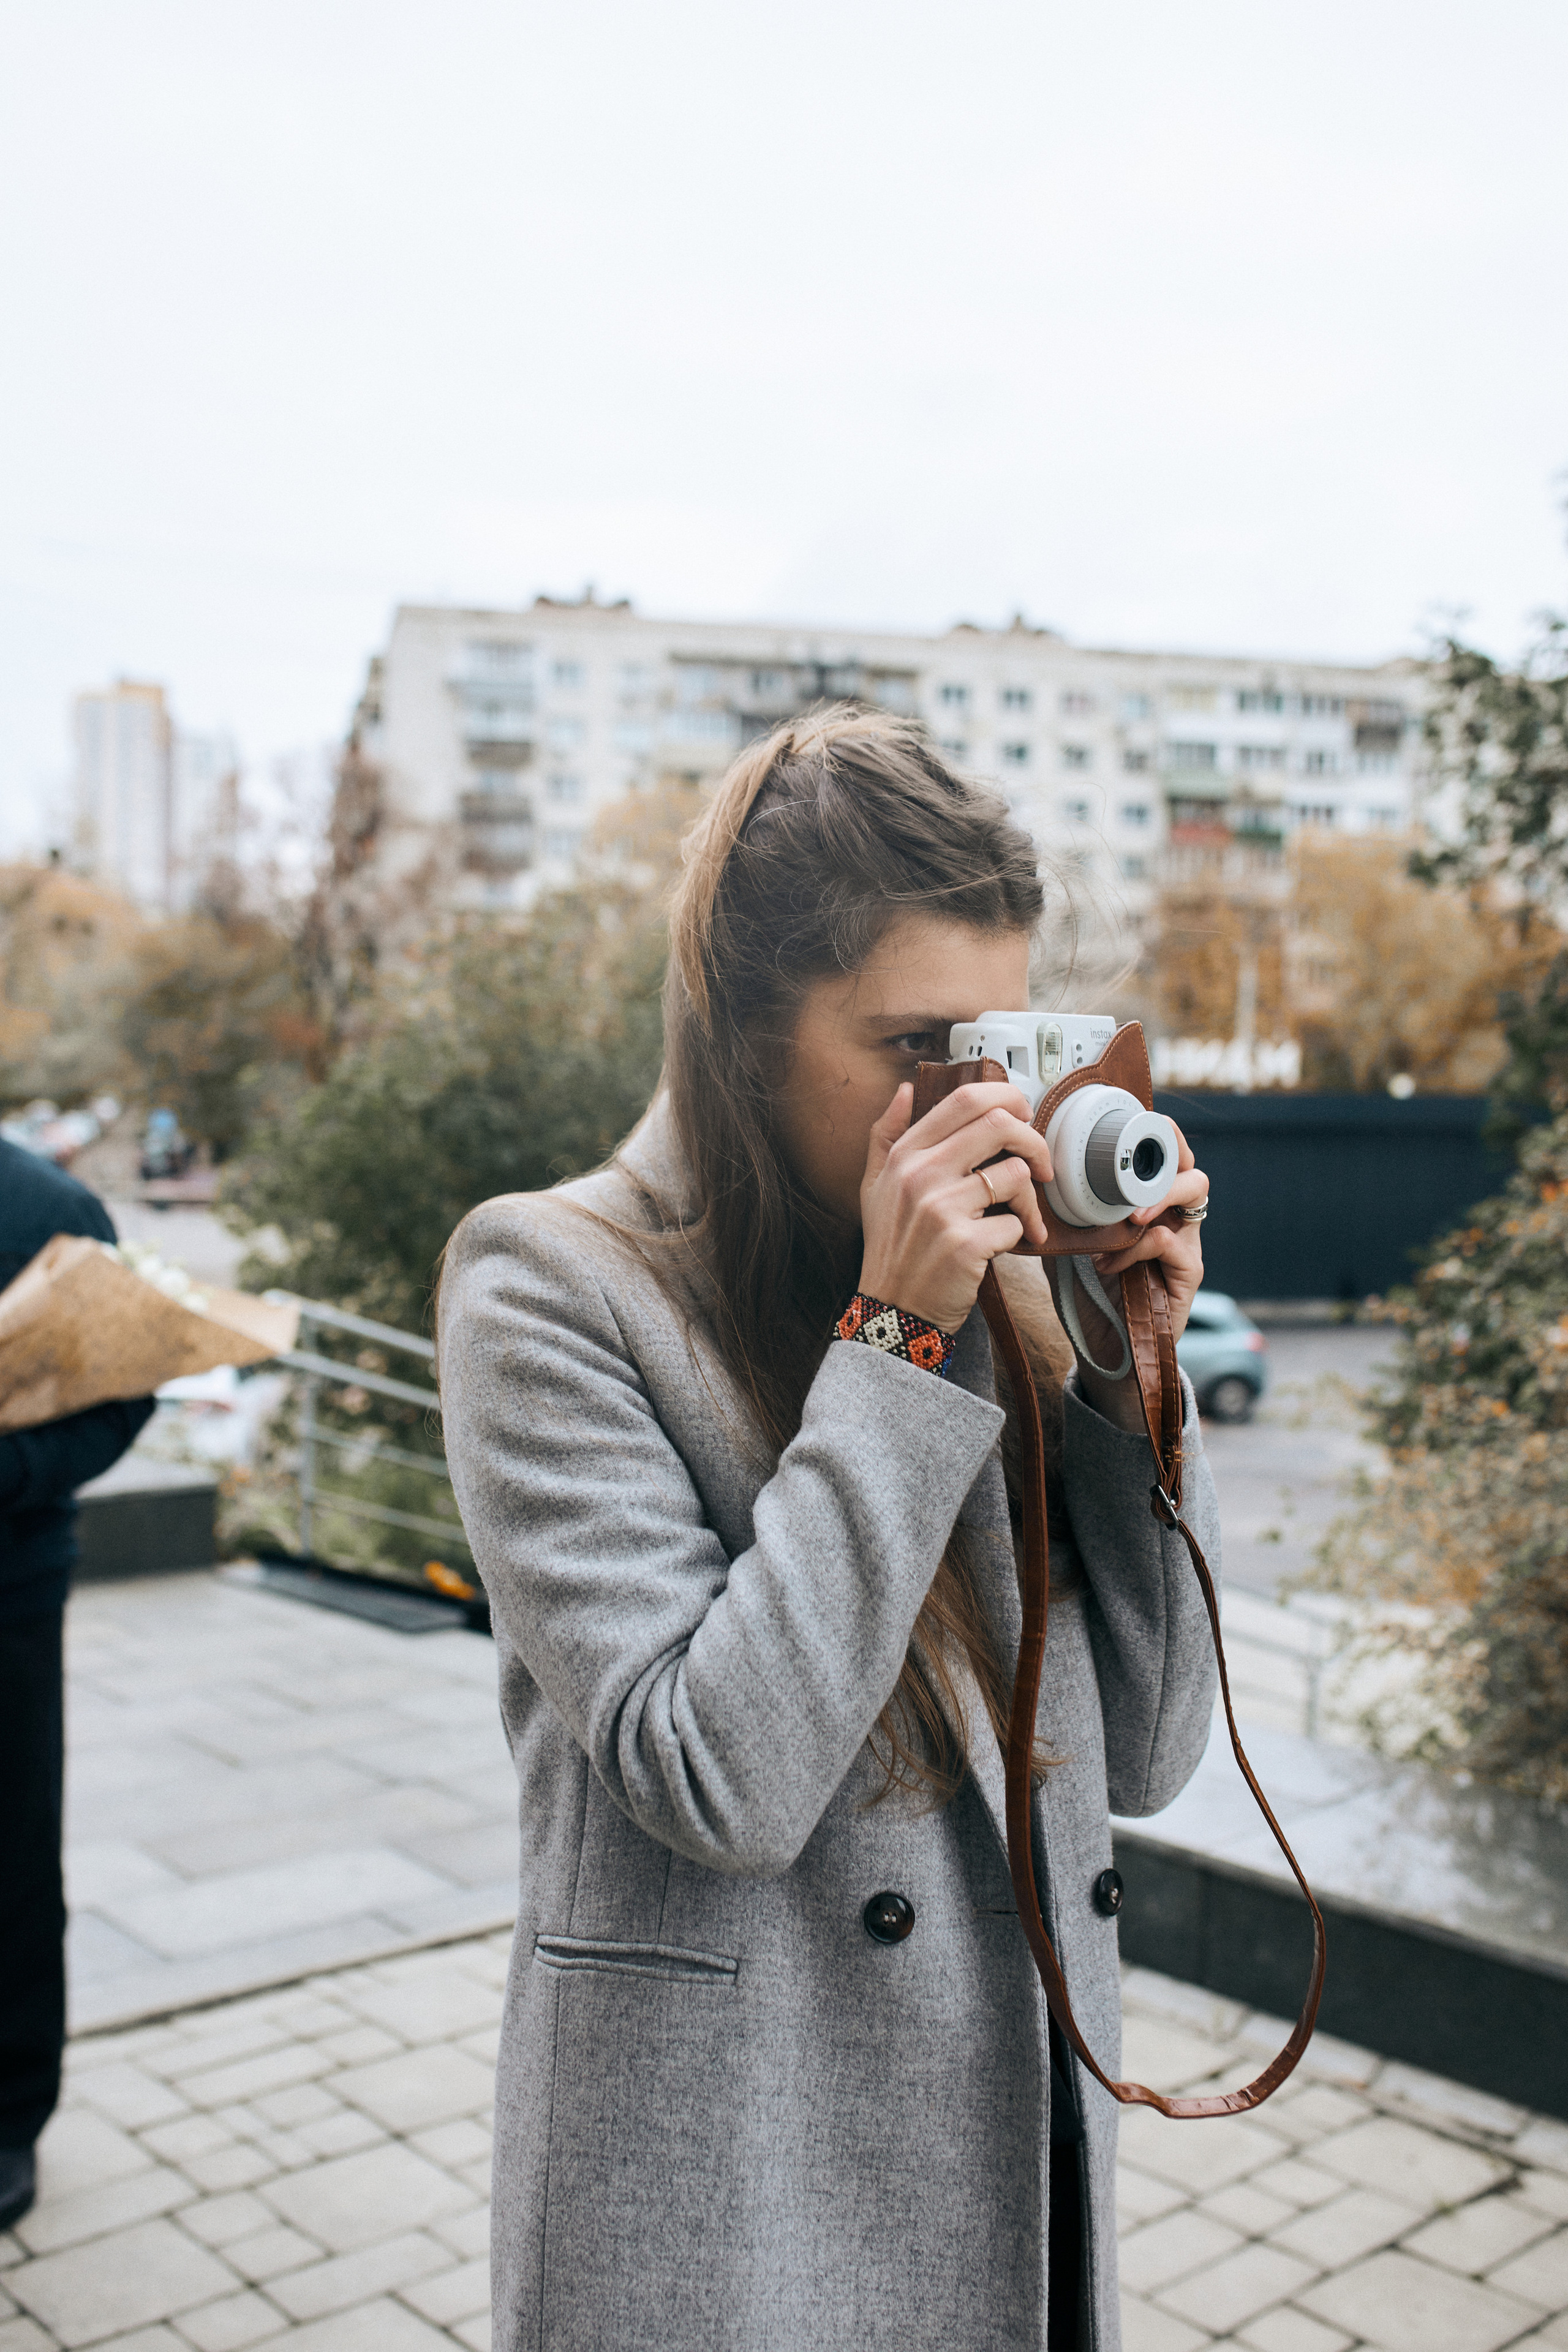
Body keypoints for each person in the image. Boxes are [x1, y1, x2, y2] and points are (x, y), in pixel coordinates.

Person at [438, 709, 1218, 2351]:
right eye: (915, 1043)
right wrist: (896, 1339)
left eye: (999, 1043)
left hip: (1008, 2151)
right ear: (738, 1028)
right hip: (735, 2188)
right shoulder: (550, 1284)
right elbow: (717, 1779)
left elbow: (1141, 1756)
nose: (972, 1103)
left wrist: (1119, 1364)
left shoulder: (1001, 1286)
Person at [0, 1140, 154, 2230]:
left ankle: (10, 2119)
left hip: (8, 1586)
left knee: (7, 1857)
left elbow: (121, 1397)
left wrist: (11, 1469)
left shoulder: (51, 1209)